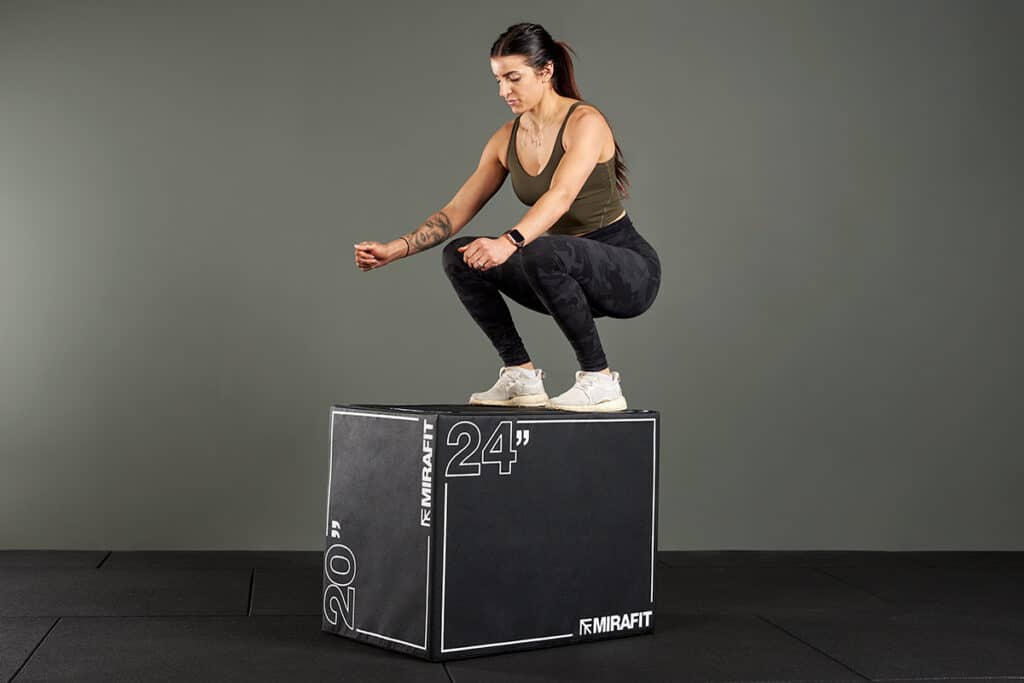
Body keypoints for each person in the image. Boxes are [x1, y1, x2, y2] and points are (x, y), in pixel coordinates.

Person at [353, 22, 660, 412]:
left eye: (513, 78)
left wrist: (509, 242)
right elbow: (456, 210)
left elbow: (560, 197)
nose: (504, 91)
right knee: (461, 255)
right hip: (559, 274)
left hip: (628, 271)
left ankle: (599, 380)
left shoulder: (585, 123)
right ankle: (521, 376)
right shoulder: (505, 138)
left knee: (538, 250)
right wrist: (394, 249)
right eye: (498, 80)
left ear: (546, 71)